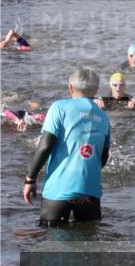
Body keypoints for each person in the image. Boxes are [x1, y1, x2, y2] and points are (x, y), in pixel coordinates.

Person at [22, 68, 111, 226]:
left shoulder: (59, 107)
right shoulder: (104, 117)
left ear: (70, 87)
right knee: (87, 242)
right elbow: (103, 158)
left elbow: (45, 145)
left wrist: (30, 179)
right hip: (90, 191)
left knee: (51, 240)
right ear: (96, 89)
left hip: (60, 189)